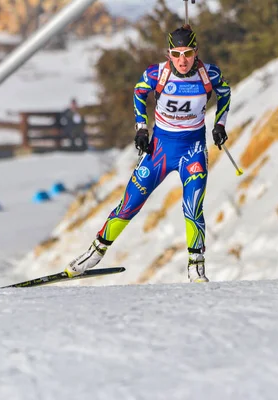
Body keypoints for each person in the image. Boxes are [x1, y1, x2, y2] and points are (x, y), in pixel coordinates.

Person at [64, 24, 231, 283]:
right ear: (168, 54)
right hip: (160, 150)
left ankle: (196, 266)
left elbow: (225, 94)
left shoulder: (209, 75)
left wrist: (220, 125)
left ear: (196, 51)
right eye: (176, 54)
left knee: (193, 207)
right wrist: (141, 128)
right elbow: (139, 92)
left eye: (187, 53)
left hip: (193, 150)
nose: (182, 60)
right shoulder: (157, 75)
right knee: (129, 204)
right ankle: (93, 254)